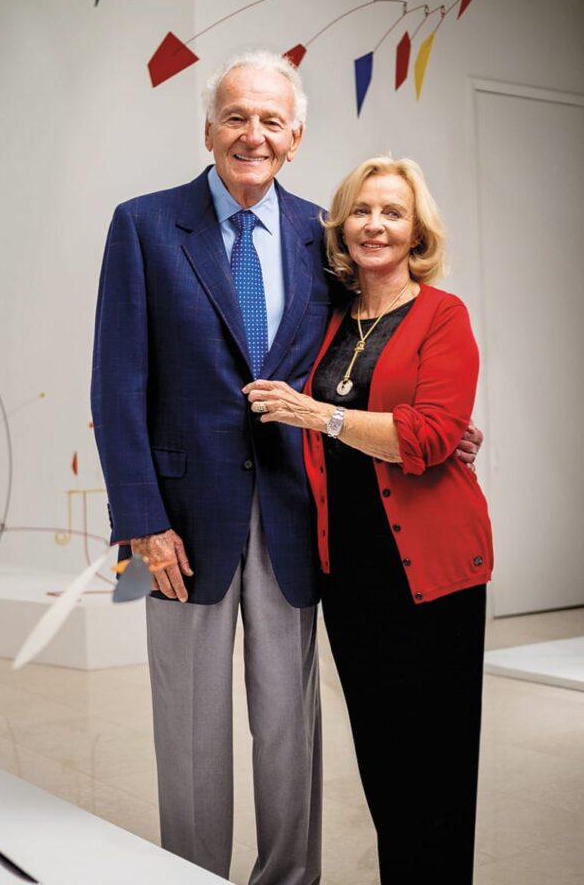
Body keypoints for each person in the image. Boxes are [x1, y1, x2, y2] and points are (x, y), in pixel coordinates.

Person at [91, 54, 480, 884]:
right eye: (236, 117)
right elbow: (117, 383)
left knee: (289, 725)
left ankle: (289, 877)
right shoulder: (144, 225)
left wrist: (441, 426)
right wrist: (141, 524)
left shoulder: (323, 236)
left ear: (295, 138)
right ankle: (191, 875)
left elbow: (358, 354)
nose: (253, 135)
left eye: (272, 121)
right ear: (209, 129)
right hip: (178, 523)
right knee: (189, 725)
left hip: (298, 510)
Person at [244, 156, 493, 885]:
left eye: (392, 212)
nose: (375, 225)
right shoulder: (327, 319)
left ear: (417, 232)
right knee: (384, 762)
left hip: (434, 572)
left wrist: (320, 414)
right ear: (341, 227)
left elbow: (430, 436)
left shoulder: (443, 314)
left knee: (437, 768)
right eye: (361, 210)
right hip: (350, 573)